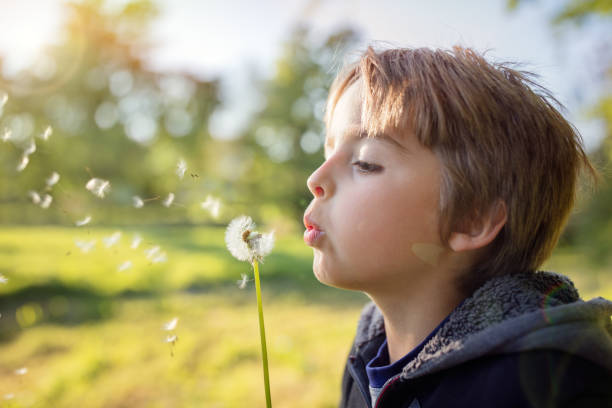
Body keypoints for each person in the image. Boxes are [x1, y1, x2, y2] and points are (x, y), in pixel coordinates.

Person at [302, 45, 612, 408]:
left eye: (366, 162)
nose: (315, 179)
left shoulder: (548, 387)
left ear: (471, 219)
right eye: (328, 153)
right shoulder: (367, 355)